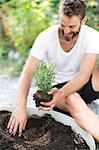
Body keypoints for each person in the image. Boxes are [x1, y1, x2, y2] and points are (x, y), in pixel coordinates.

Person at [7, 0, 99, 141]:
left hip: (81, 83)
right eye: (63, 25)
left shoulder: (92, 36)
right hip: (55, 91)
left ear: (83, 21)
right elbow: (27, 73)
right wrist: (20, 106)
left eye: (72, 26)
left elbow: (84, 74)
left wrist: (63, 92)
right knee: (72, 99)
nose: (67, 31)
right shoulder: (46, 37)